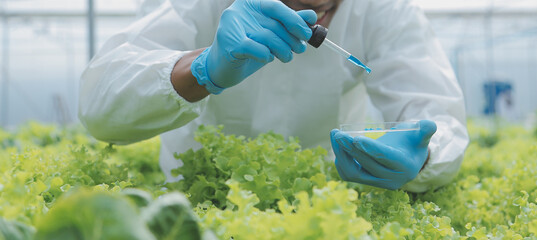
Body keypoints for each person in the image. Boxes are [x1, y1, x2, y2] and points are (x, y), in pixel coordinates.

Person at [79, 0, 469, 191]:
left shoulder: (385, 9)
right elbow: (99, 105)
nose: (315, 19)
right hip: (197, 202)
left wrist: (423, 156)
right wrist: (201, 69)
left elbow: (437, 114)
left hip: (327, 198)